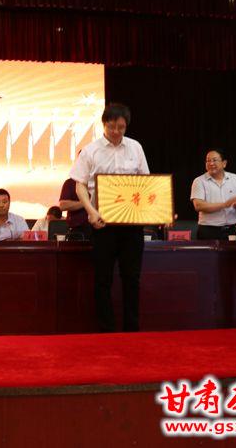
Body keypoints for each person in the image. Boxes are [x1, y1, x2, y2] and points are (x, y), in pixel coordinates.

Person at [70, 103, 149, 333]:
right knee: (102, 280)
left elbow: (146, 183)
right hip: (102, 223)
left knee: (132, 278)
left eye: (121, 127)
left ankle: (131, 329)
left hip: (131, 224)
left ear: (126, 126)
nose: (116, 131)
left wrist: (158, 211)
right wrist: (91, 211)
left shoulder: (135, 147)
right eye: (112, 126)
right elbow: (80, 185)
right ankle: (106, 330)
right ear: (104, 124)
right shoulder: (90, 150)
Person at [190, 149, 236, 240]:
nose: (211, 163)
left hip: (231, 230)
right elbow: (198, 206)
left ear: (224, 163)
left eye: (214, 160)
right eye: (208, 160)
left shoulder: (234, 178)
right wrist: (224, 204)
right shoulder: (199, 181)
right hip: (208, 231)